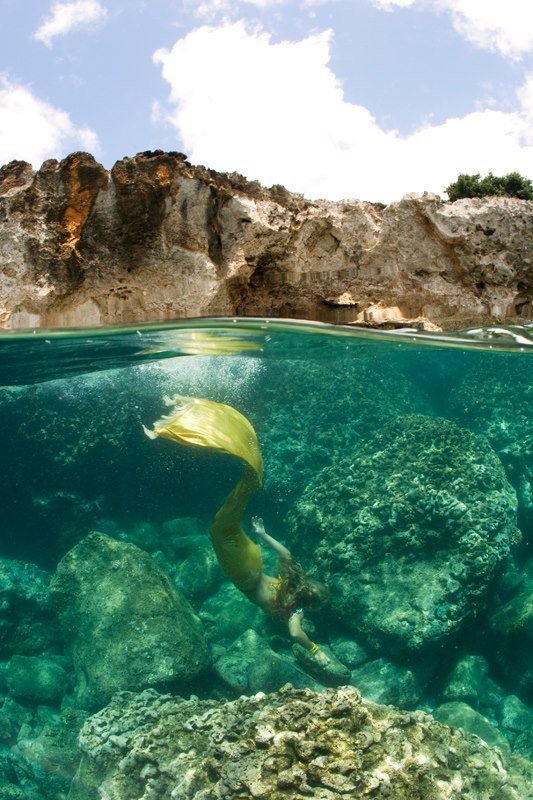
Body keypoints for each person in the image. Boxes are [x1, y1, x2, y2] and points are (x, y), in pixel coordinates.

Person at [144, 395, 330, 666]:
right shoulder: (295, 609)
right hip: (245, 573)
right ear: (310, 603)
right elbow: (294, 632)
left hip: (253, 558)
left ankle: (248, 479)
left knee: (225, 526)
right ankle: (249, 478)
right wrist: (316, 651)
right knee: (219, 530)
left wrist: (262, 534)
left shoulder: (294, 581)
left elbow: (286, 554)